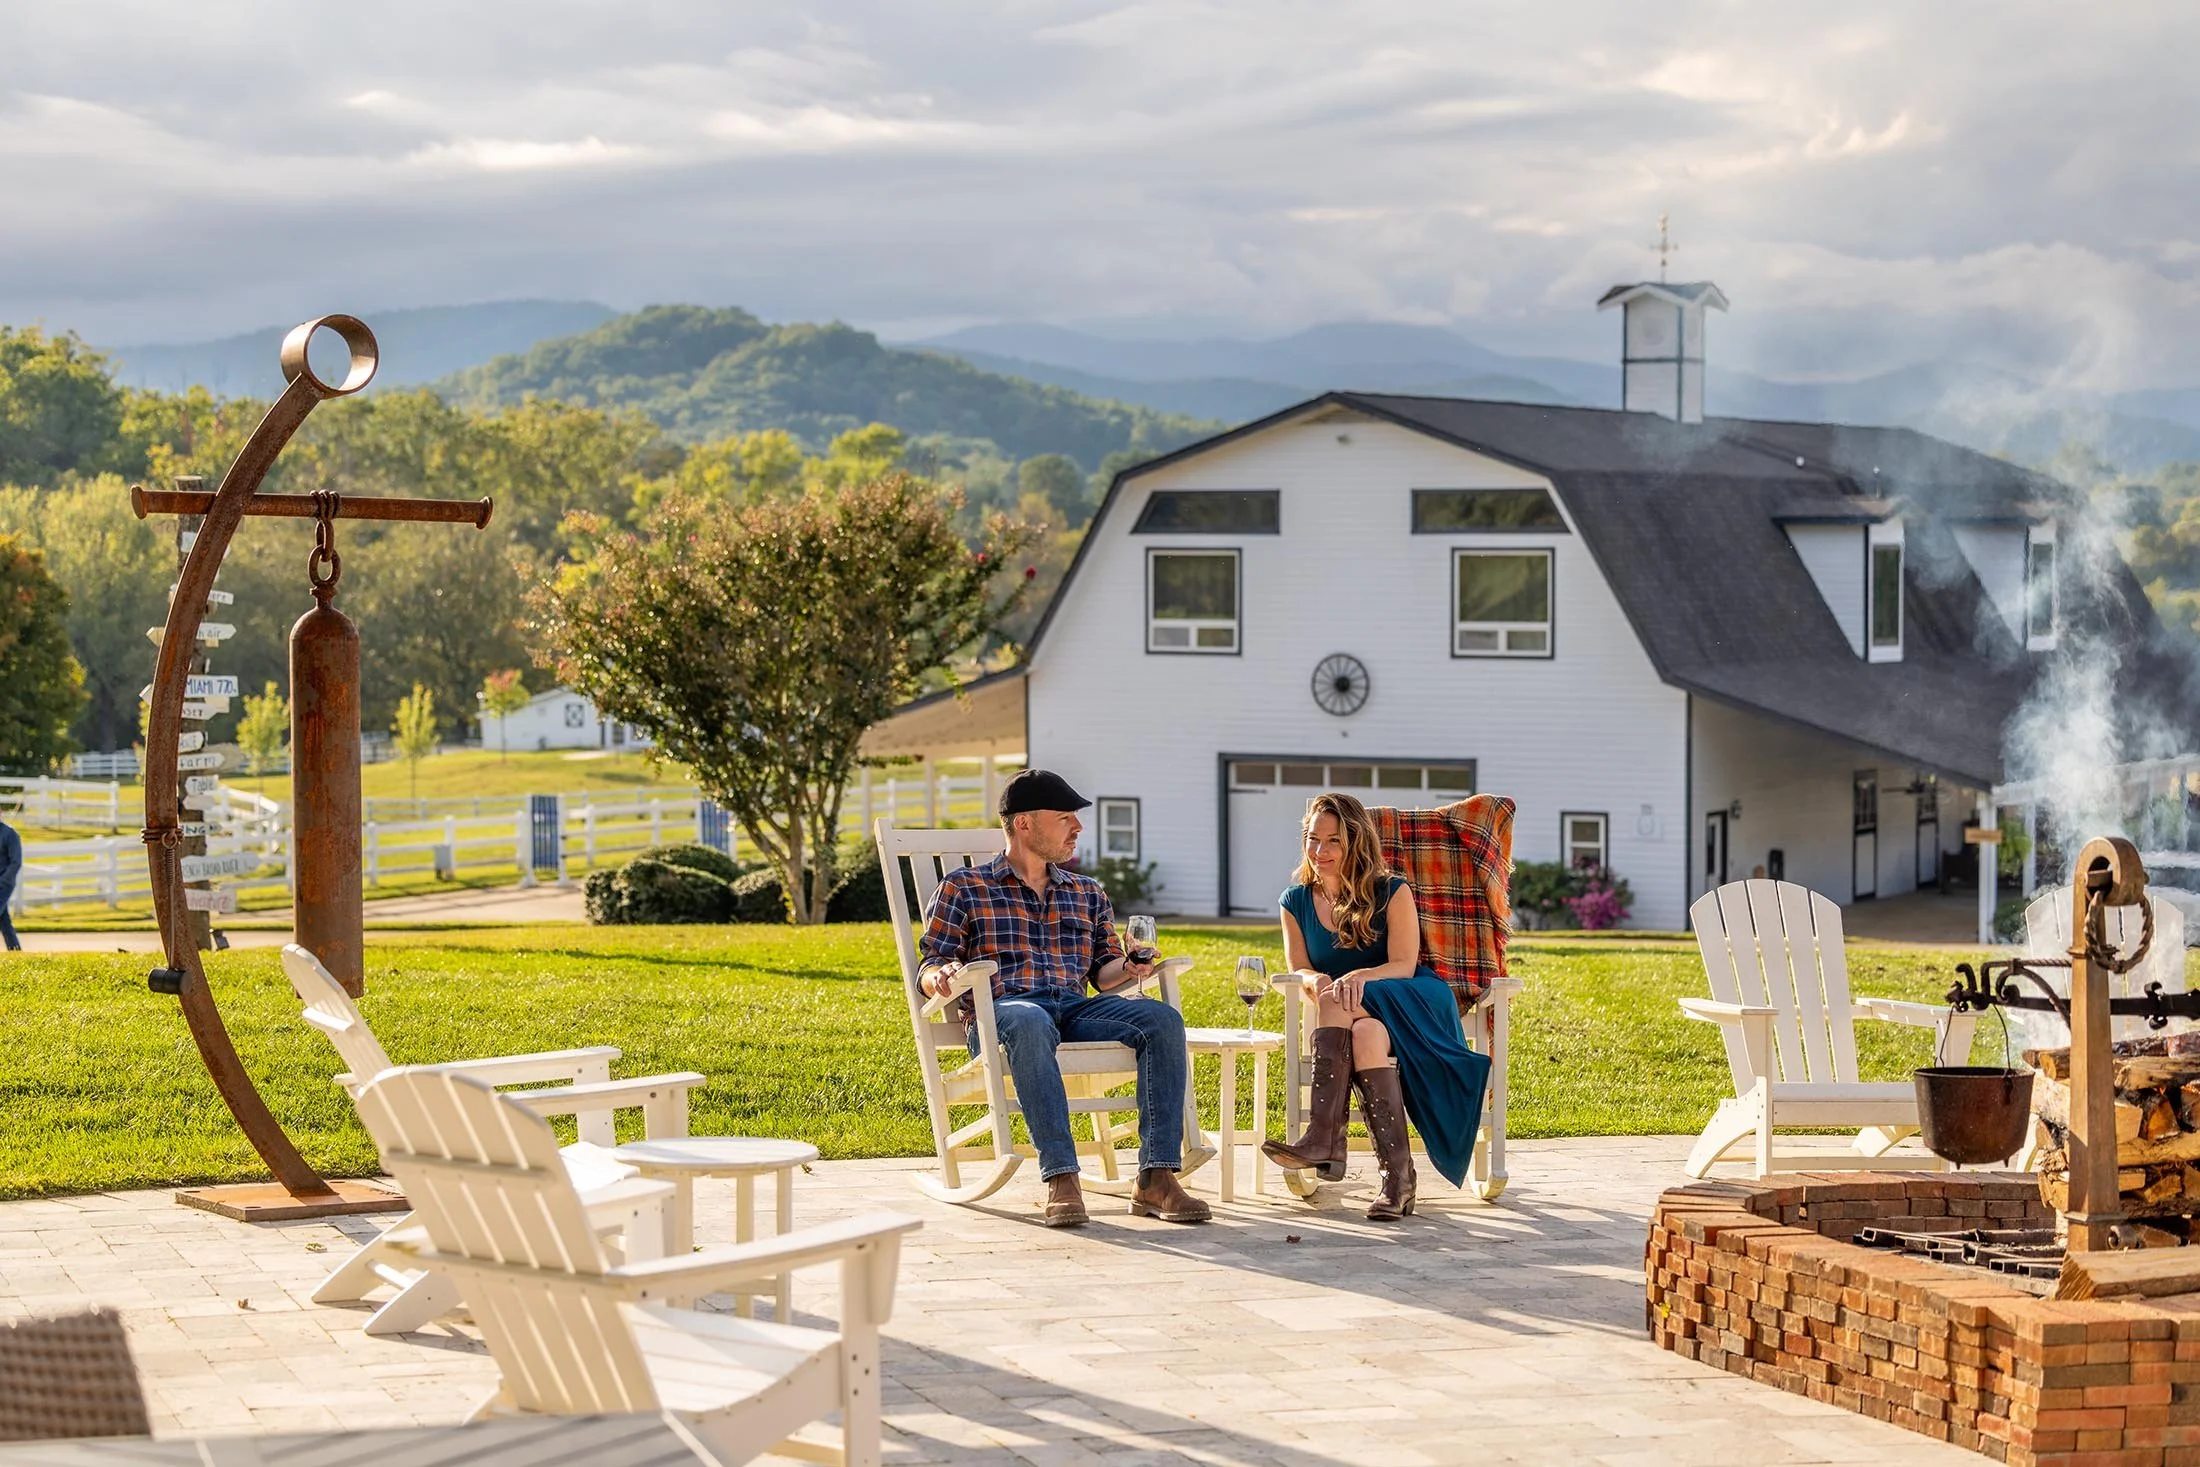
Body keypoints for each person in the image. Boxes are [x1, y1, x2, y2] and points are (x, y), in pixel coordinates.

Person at [917, 769, 1209, 1228]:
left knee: (1161, 1019)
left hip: (1074, 1009)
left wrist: (1130, 967)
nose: (1078, 827)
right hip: (1005, 1014)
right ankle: (1062, 1177)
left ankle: (1156, 1176)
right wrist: (941, 976)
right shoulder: (964, 887)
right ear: (1024, 823)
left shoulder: (1086, 892)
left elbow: (1104, 973)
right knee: (1030, 1018)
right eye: (1065, 818)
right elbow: (931, 963)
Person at [1262, 792, 1487, 1220]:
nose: (1320, 850)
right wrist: (1315, 979)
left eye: (1333, 840)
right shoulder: (1294, 901)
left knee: (1336, 998)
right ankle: (1398, 1180)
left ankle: (1324, 1138)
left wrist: (1358, 977)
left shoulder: (1392, 890)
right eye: (1313, 839)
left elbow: (1404, 964)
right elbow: (1300, 968)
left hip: (1411, 1000)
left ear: (1356, 842)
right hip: (1358, 1016)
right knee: (1363, 1033)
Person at [0, 817, 20, 951]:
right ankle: (15, 950)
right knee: (4, 919)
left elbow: (15, 862)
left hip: (4, 885)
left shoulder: (10, 834)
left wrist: (3, 881)